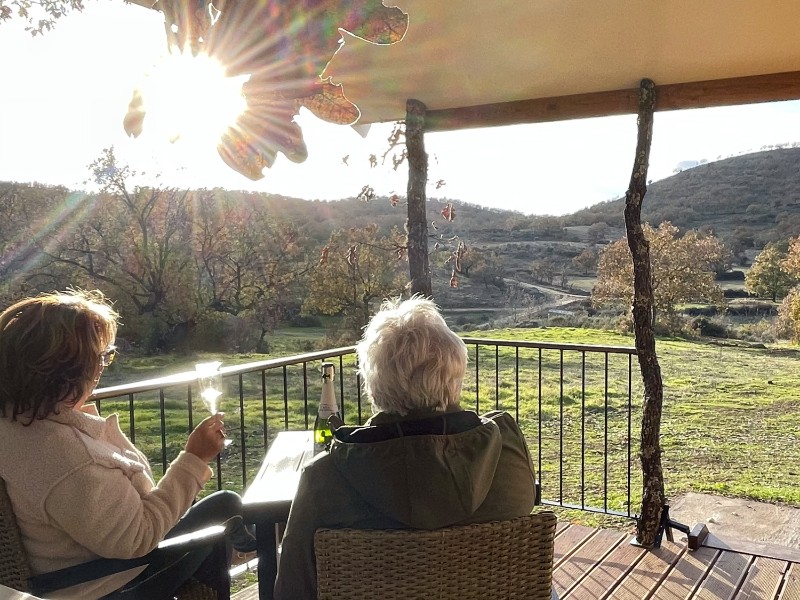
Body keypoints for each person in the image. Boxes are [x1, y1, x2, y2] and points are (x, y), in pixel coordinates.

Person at [274, 296, 538, 600]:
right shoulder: (507, 454)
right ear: (456, 376)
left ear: (374, 386)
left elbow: (292, 591)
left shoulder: (324, 479)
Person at [0, 290, 255, 600]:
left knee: (225, 506)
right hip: (110, 584)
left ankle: (242, 548)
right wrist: (194, 458)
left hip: (87, 568)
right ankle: (252, 551)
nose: (101, 369)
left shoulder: (19, 423)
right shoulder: (69, 457)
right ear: (68, 371)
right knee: (222, 521)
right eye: (101, 357)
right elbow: (139, 538)